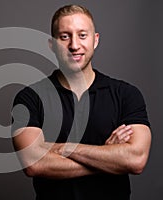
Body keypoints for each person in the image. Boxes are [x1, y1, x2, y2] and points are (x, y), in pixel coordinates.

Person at [12, 4, 151, 200]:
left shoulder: (126, 94)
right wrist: (110, 158)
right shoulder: (29, 98)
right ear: (52, 44)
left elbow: (136, 160)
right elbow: (33, 163)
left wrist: (61, 148)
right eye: (65, 36)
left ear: (95, 40)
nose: (74, 45)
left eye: (82, 35)